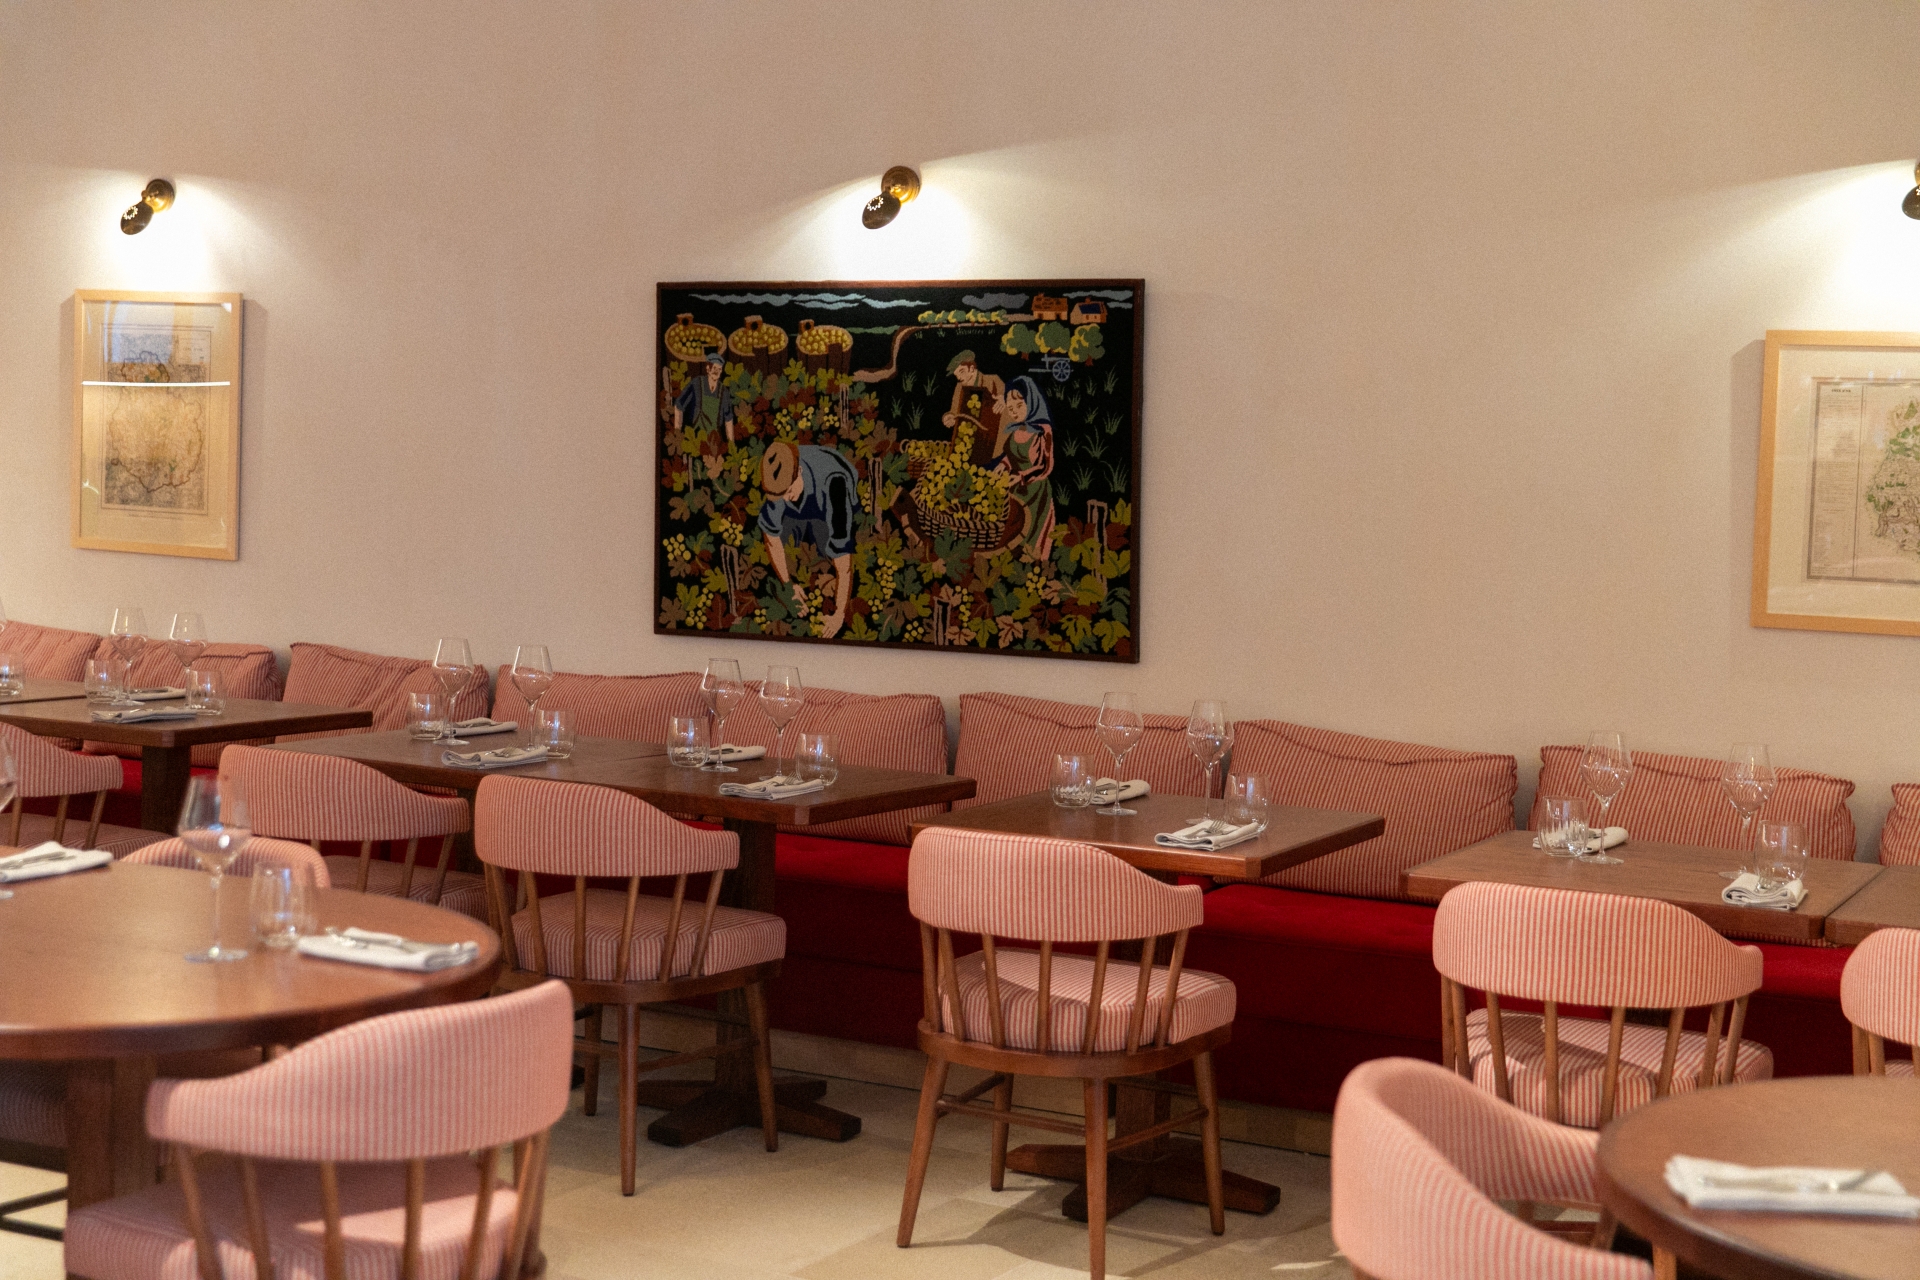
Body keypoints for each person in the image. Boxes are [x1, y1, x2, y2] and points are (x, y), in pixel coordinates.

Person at [759, 440, 862, 638]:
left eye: (789, 491)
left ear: (798, 472)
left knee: (827, 547)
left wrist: (838, 615)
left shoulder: (835, 484)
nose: (785, 498)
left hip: (830, 501)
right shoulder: (779, 485)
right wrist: (788, 585)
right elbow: (771, 536)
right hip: (805, 502)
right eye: (781, 495)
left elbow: (844, 563)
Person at [995, 375, 1057, 560]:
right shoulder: (1015, 429)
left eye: (1019, 405)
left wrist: (1022, 477)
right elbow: (1011, 455)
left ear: (1031, 402)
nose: (1014, 411)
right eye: (1010, 408)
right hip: (1014, 488)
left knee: (1031, 534)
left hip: (1035, 492)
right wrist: (1002, 465)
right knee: (1011, 532)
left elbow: (1045, 466)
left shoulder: (1042, 431)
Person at [941, 350, 1004, 468]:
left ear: (971, 368)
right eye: (957, 375)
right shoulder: (959, 387)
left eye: (961, 371)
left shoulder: (993, 381)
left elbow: (1010, 401)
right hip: (968, 442)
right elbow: (953, 411)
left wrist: (1004, 399)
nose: (959, 377)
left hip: (992, 443)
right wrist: (948, 417)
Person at [673, 347, 737, 444]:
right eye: (714, 368)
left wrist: (731, 444)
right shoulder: (697, 383)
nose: (716, 371)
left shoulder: (724, 392)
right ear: (708, 368)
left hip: (714, 442)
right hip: (695, 439)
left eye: (719, 369)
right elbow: (679, 405)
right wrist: (677, 433)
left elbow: (728, 420)